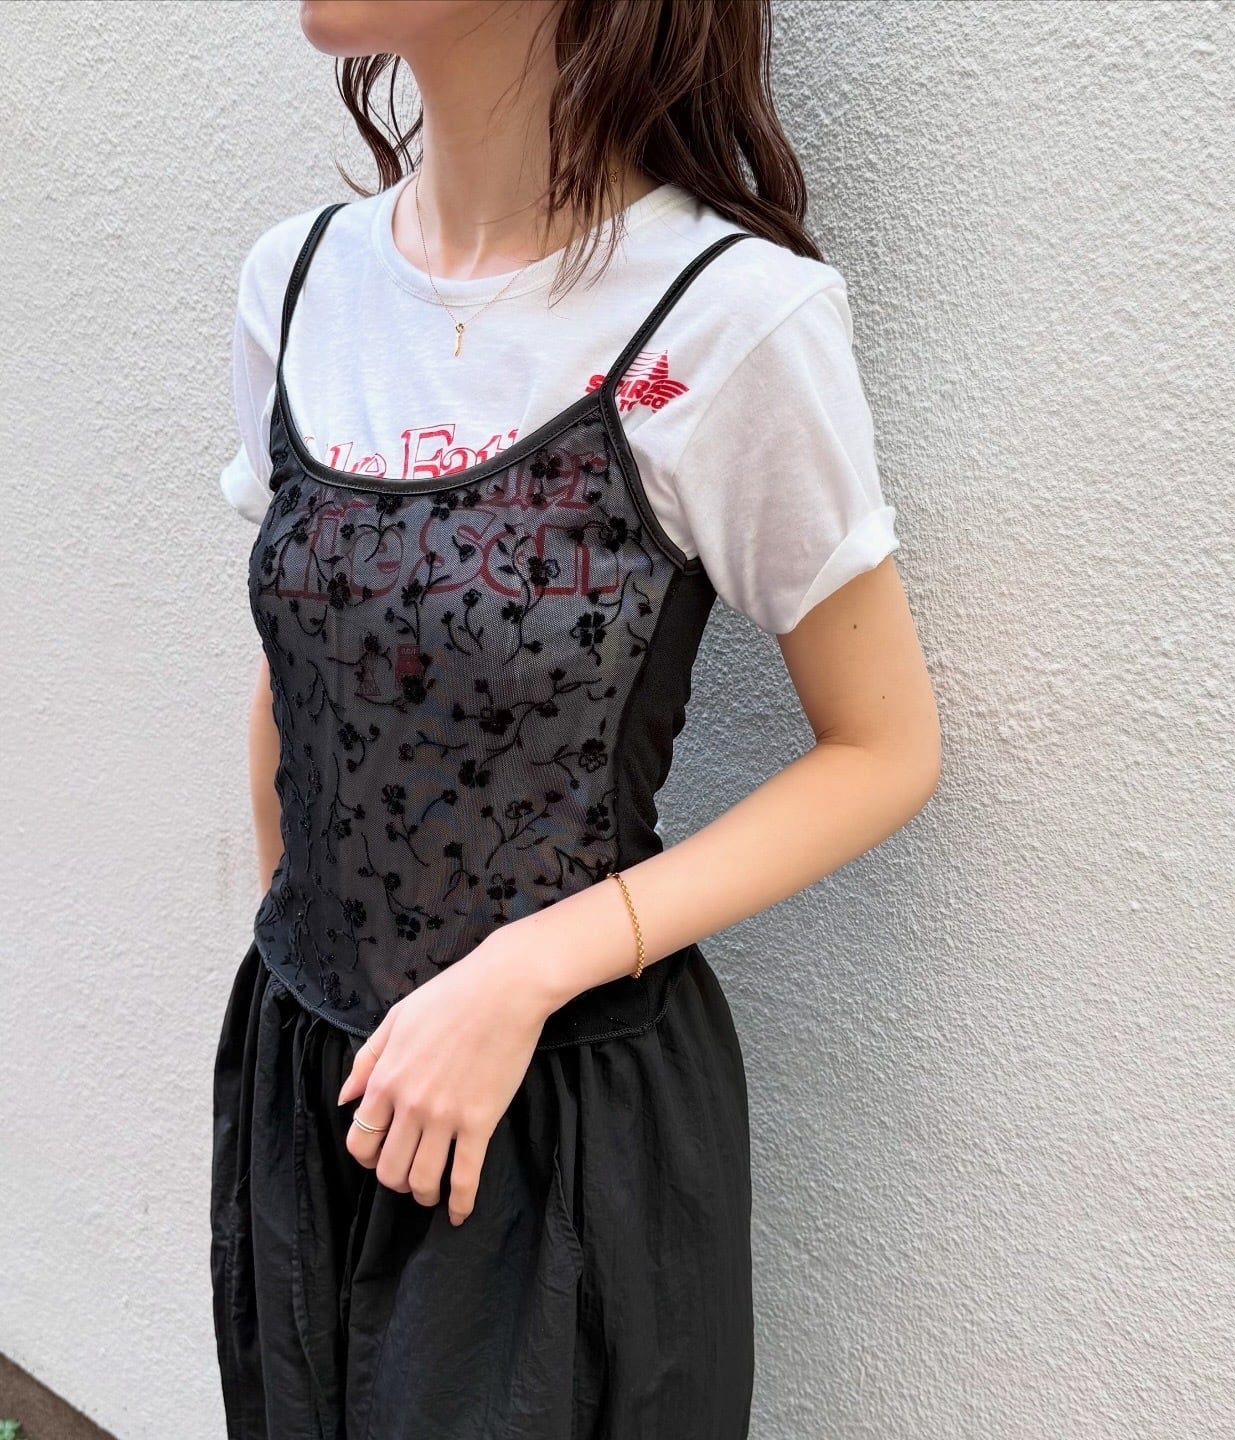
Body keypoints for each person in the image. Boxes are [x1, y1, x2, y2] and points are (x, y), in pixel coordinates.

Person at [209, 1, 942, 1435]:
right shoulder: (297, 284)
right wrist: (316, 960)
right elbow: (297, 672)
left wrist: (520, 972)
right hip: (312, 1090)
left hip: (559, 1147)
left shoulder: (726, 320)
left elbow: (885, 747)